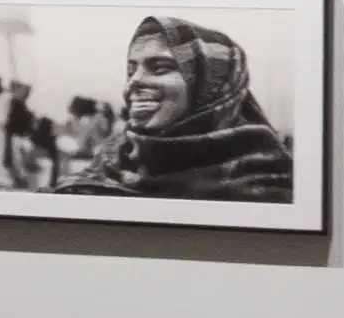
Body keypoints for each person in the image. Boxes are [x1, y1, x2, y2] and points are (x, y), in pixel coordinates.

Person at [91, 17, 294, 202]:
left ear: (210, 87)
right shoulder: (105, 167)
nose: (133, 83)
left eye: (160, 68)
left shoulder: (270, 188)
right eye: (131, 71)